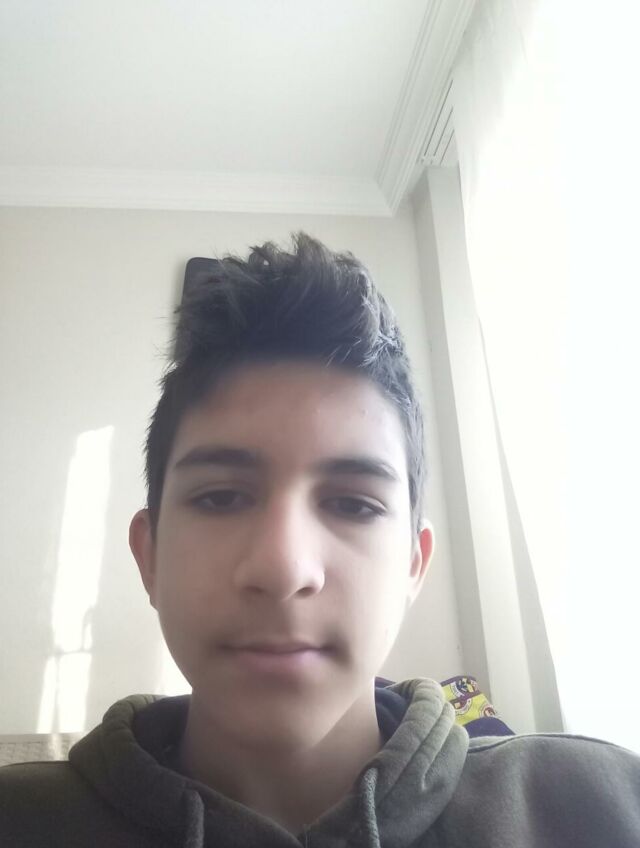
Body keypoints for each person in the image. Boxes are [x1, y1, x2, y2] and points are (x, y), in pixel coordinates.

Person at [1, 233, 639, 846]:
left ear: (413, 565)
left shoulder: (598, 804)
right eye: (220, 497)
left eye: (354, 504)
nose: (283, 568)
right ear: (150, 556)